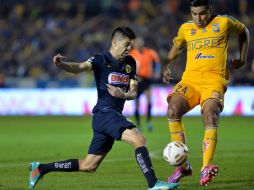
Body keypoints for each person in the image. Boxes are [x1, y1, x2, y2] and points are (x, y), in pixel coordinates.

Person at [29, 26, 178, 190]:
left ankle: (40, 168)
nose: (130, 49)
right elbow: (79, 68)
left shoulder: (130, 63)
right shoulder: (100, 59)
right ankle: (153, 183)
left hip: (107, 118)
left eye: (132, 45)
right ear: (115, 42)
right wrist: (61, 64)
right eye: (127, 44)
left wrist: (123, 95)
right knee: (139, 139)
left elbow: (134, 92)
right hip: (104, 113)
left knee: (88, 165)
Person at [161, 0, 249, 187]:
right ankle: (183, 167)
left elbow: (244, 32)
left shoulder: (223, 23)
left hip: (213, 80)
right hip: (190, 81)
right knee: (172, 110)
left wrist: (242, 58)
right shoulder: (186, 28)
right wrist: (165, 65)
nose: (198, 18)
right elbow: (177, 47)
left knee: (209, 113)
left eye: (201, 13)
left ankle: (206, 166)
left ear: (209, 10)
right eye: (194, 13)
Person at [129, 37, 161, 132]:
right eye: (137, 43)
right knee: (137, 102)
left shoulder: (150, 52)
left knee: (149, 99)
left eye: (140, 43)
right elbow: (128, 67)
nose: (139, 44)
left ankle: (148, 122)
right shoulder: (132, 54)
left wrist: (157, 72)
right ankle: (139, 124)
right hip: (137, 79)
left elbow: (157, 62)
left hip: (147, 79)